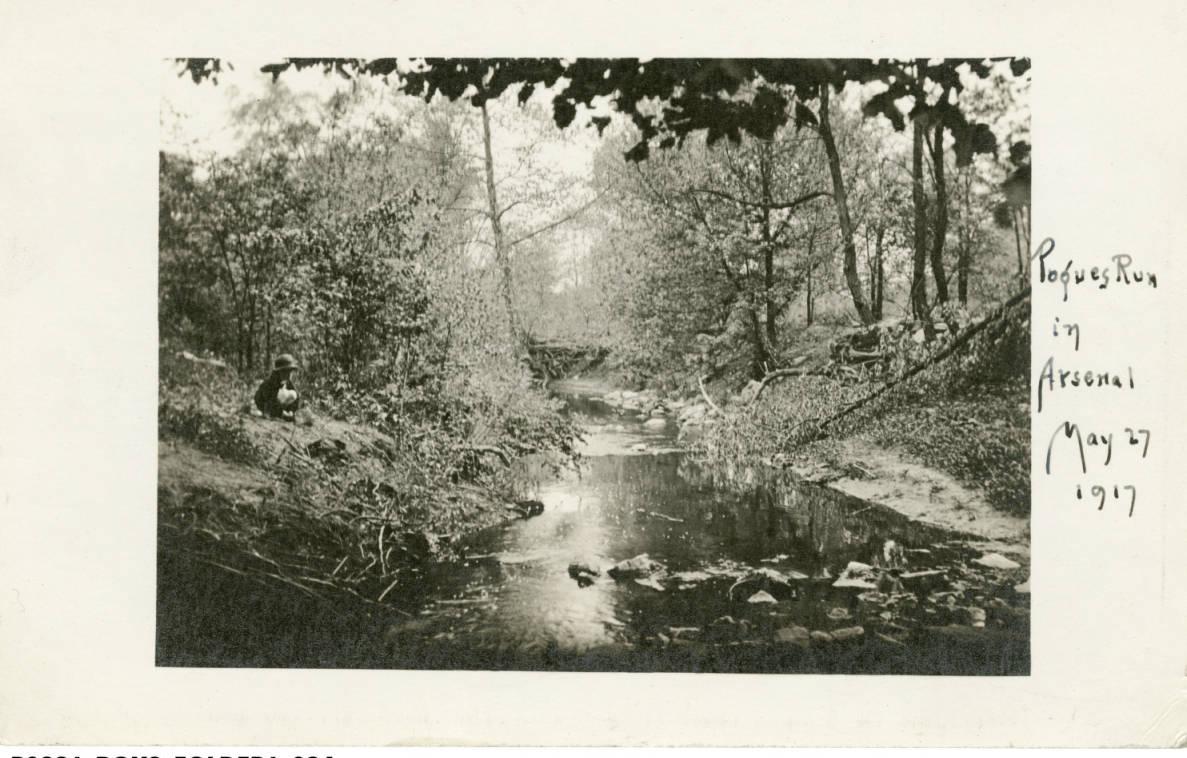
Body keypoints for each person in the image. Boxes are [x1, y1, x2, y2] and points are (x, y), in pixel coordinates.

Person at [254, 354, 302, 421]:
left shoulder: (287, 382)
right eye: (285, 371)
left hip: (279, 408)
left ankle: (283, 414)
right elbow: (269, 402)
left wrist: (291, 411)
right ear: (278, 372)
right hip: (266, 407)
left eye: (290, 371)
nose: (288, 374)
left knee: (293, 394)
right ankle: (279, 415)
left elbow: (296, 398)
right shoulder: (269, 384)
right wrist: (282, 413)